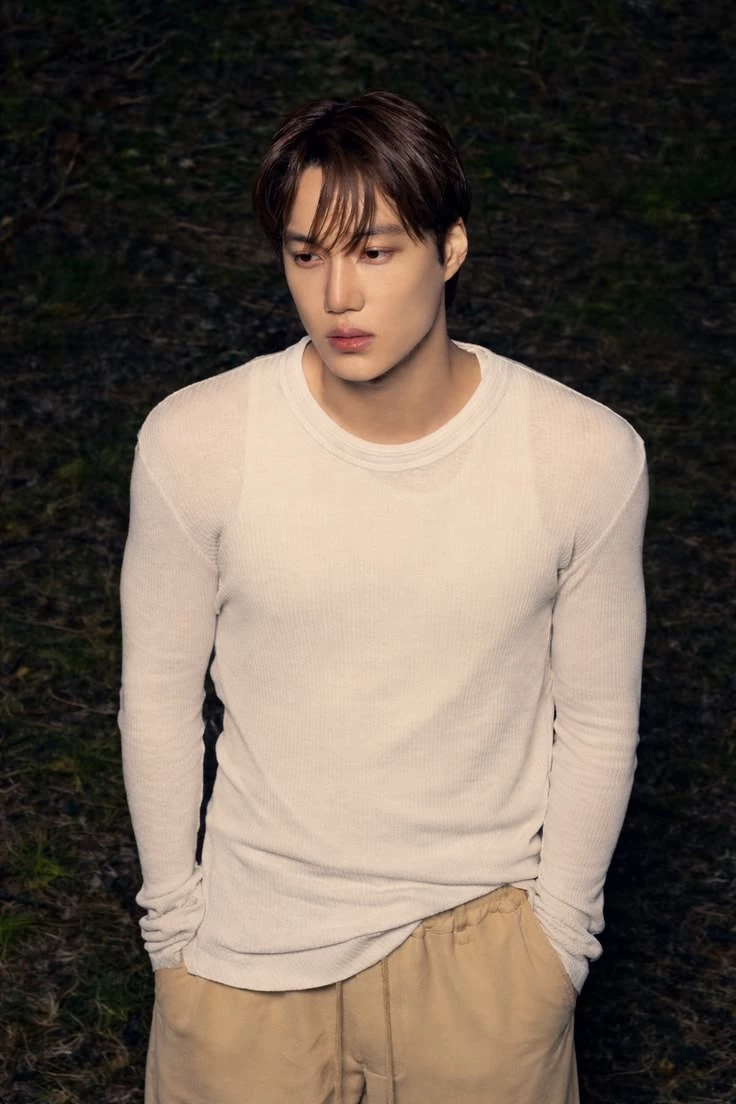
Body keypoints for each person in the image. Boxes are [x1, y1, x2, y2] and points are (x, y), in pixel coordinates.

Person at [118, 90, 648, 1104]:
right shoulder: (196, 442)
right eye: (305, 254)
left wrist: (558, 943)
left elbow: (596, 720)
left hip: (483, 960)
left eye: (374, 251)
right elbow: (157, 699)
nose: (337, 295)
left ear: (450, 249)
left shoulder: (582, 455)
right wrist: (175, 932)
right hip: (242, 963)